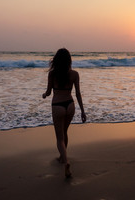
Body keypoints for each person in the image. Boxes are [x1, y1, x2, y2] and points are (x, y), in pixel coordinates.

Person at [42, 48, 86, 178]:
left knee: (59, 137)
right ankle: (62, 156)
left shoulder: (52, 74)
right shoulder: (74, 74)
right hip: (70, 105)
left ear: (56, 60)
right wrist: (83, 111)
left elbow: (49, 92)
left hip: (57, 106)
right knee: (64, 132)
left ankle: (66, 162)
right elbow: (78, 93)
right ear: (69, 60)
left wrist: (44, 94)